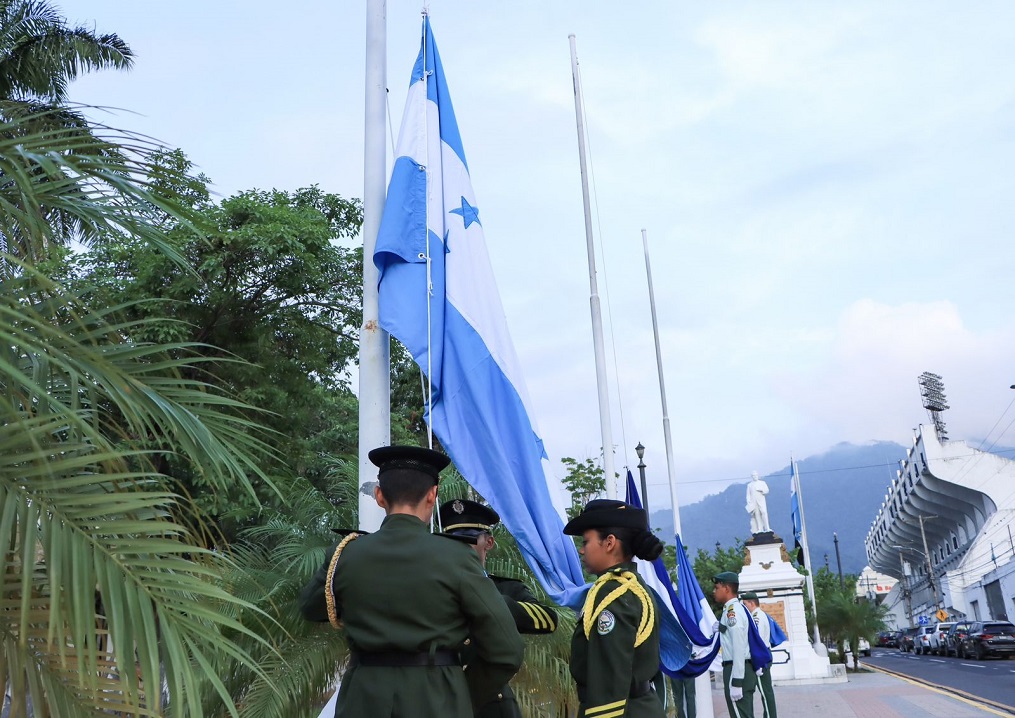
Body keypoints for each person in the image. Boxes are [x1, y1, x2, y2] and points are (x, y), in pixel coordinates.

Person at [299, 446, 524, 718]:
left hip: (363, 701)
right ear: (432, 495)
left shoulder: (345, 554)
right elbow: (507, 651)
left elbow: (311, 608)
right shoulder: (457, 557)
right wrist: (462, 694)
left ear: (379, 496)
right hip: (436, 700)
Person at [438, 498, 558, 718]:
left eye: (470, 539)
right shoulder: (436, 587)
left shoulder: (504, 588)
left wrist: (488, 599)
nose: (462, 547)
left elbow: (548, 619)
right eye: (455, 540)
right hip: (442, 699)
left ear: (489, 543)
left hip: (493, 704)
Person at [564, 499, 666, 718]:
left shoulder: (613, 595)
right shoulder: (631, 587)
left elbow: (609, 679)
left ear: (609, 542)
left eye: (586, 541)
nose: (582, 550)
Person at [713, 571, 757, 718]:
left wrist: (737, 681)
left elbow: (738, 646)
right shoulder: (733, 610)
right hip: (741, 668)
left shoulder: (733, 613)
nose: (714, 591)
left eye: (717, 587)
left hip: (736, 670)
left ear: (726, 589)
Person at [740, 592, 777, 718]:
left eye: (745, 604)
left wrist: (758, 663)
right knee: (766, 691)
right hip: (764, 654)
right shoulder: (760, 615)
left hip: (761, 657)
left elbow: (757, 641)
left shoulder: (756, 617)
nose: (744, 607)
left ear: (751, 603)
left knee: (765, 693)